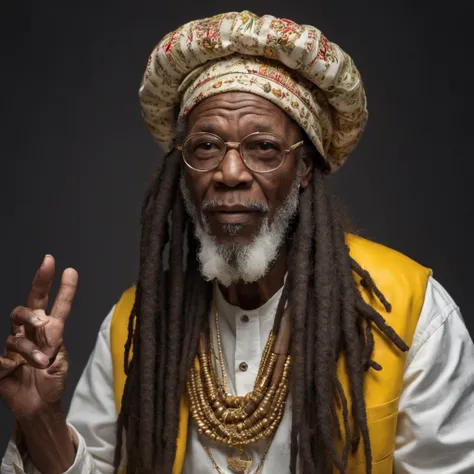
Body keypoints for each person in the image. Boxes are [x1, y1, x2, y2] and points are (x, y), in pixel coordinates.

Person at [1, 10, 474, 474]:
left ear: (304, 168)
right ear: (183, 172)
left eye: (263, 148)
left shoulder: (411, 311)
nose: (230, 173)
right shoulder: (139, 324)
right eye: (206, 147)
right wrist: (40, 419)